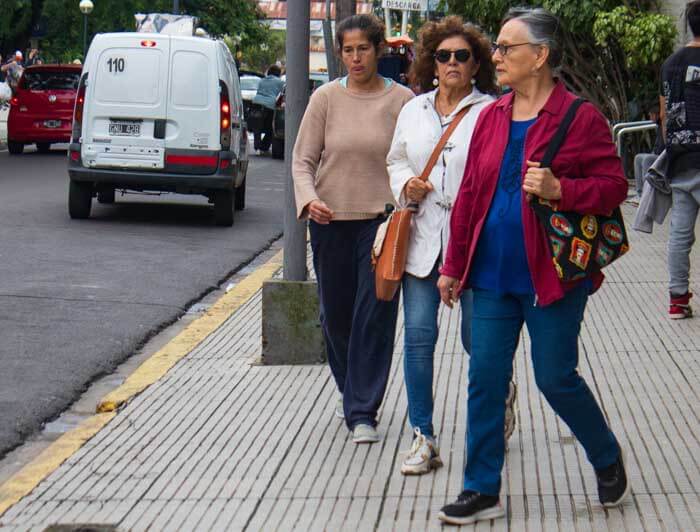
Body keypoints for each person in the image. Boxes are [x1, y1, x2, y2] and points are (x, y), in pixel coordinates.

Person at [436, 7, 630, 525]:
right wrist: (453, 266)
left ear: (539, 56)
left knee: (554, 377)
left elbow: (614, 187)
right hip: (491, 276)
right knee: (485, 379)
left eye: (506, 48)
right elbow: (471, 195)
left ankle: (606, 454)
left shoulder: (579, 117)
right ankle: (481, 488)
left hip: (551, 277)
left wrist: (561, 189)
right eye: (497, 48)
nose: (495, 57)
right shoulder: (492, 116)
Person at [387, 16, 511, 476]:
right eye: (444, 56)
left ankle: (496, 403)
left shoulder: (492, 111)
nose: (452, 63)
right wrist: (406, 184)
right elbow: (395, 157)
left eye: (462, 56)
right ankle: (424, 436)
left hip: (475, 240)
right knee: (418, 340)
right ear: (431, 63)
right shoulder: (413, 110)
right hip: (422, 240)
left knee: (478, 342)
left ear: (476, 63)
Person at [293, 14, 414, 444]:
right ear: (339, 53)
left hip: (382, 223)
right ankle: (354, 391)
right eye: (348, 50)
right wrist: (309, 200)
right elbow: (303, 161)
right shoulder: (325, 98)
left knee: (374, 315)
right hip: (331, 222)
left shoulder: (402, 100)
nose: (356, 57)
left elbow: (412, 159)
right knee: (336, 318)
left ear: (378, 49)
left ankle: (362, 409)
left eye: (364, 48)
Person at [658, 0, 700, 319]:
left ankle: (677, 299)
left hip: (680, 159)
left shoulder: (670, 63)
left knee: (680, 233)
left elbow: (664, 114)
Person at [252, 64, 284, 155]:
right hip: (269, 105)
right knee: (271, 128)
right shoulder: (280, 82)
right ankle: (264, 147)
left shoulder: (262, 81)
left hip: (256, 103)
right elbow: (282, 94)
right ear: (278, 73)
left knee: (256, 127)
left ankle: (257, 145)